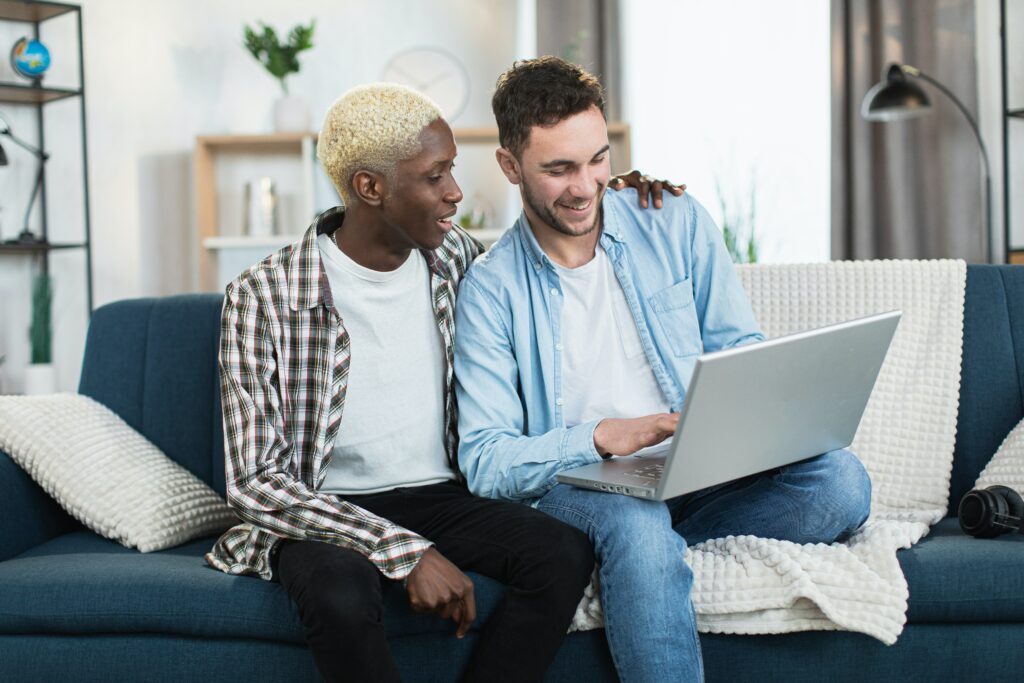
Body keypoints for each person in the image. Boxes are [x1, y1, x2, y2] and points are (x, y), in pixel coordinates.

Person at [205, 82, 673, 683]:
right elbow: (254, 483)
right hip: (323, 507)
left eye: (452, 170)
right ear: (370, 187)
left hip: (442, 496)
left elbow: (548, 240)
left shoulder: (456, 259)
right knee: (340, 595)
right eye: (435, 177)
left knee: (562, 553)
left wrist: (626, 200)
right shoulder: (263, 296)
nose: (455, 192)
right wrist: (403, 550)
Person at [453, 57, 873, 683]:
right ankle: (644, 552)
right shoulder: (491, 290)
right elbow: (486, 461)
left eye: (597, 159)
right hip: (583, 487)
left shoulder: (671, 219)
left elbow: (739, 347)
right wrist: (600, 437)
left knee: (840, 480)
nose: (586, 185)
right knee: (634, 522)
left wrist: (759, 415)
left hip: (694, 468)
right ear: (510, 166)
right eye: (559, 168)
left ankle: (649, 559)